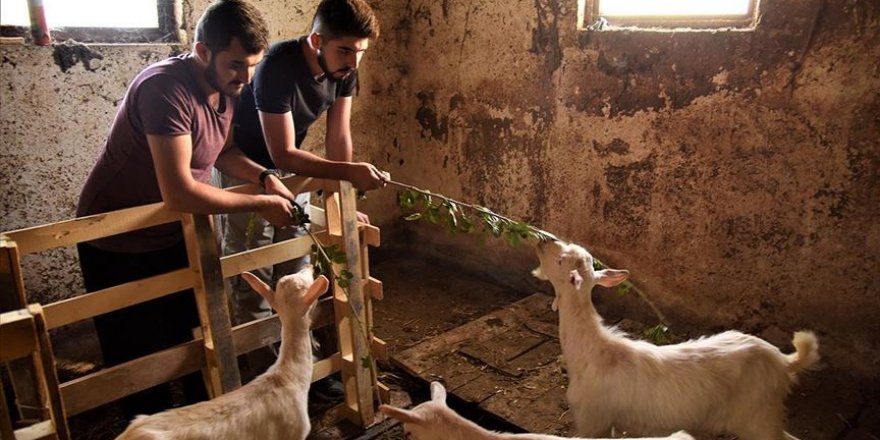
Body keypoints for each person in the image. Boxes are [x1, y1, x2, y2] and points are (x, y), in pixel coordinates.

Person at [75, 0, 294, 419]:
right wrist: (260, 203)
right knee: (139, 360)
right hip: (116, 240)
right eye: (236, 65)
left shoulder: (226, 89)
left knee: (193, 338)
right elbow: (178, 191)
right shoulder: (164, 89)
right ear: (203, 51)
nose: (246, 78)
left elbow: (224, 151)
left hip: (173, 231)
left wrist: (265, 177)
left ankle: (196, 422)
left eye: (252, 65)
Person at [222, 0, 384, 402]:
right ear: (316, 41)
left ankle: (305, 371)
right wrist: (349, 172)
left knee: (299, 278)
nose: (353, 62)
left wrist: (344, 198)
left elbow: (339, 138)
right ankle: (268, 385)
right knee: (254, 279)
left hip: (295, 173)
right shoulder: (278, 66)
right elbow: (280, 152)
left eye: (360, 52)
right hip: (248, 173)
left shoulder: (344, 71)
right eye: (344, 51)